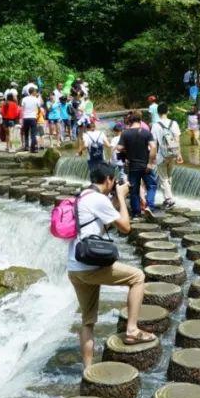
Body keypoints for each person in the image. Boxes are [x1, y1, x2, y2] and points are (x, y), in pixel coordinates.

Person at [68, 162, 156, 368]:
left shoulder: (83, 196)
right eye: (113, 180)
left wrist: (116, 200)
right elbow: (125, 227)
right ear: (108, 180)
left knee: (87, 321)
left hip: (74, 267)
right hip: (90, 267)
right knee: (137, 277)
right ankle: (132, 330)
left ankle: (88, 369)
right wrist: (123, 198)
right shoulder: (99, 199)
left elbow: (105, 220)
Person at [117, 111, 158, 216]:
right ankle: (150, 206)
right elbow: (153, 147)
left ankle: (136, 213)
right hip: (145, 165)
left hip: (132, 166)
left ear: (130, 121)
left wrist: (127, 150)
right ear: (140, 120)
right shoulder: (146, 133)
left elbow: (119, 148)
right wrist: (150, 163)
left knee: (134, 190)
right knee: (152, 185)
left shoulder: (125, 133)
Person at [151, 104, 183, 209]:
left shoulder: (155, 125)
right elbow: (177, 140)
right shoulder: (174, 123)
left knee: (163, 177)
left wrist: (152, 157)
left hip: (161, 155)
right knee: (169, 176)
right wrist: (179, 154)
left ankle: (169, 199)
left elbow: (154, 143)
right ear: (167, 111)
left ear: (158, 113)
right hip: (172, 154)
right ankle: (168, 198)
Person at [21, 88, 42, 152]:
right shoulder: (36, 99)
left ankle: (26, 147)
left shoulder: (24, 99)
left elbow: (22, 109)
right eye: (35, 91)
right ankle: (33, 148)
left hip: (25, 118)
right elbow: (39, 109)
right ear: (32, 92)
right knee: (33, 134)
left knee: (26, 133)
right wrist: (37, 115)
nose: (36, 93)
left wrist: (22, 118)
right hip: (33, 118)